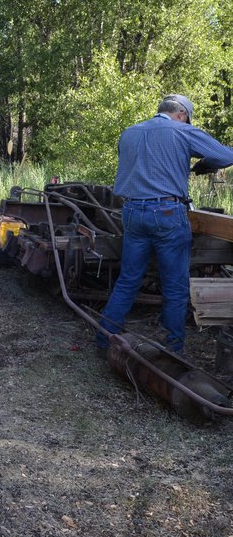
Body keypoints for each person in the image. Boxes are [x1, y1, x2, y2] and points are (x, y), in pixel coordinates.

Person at [98, 94, 233, 355]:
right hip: (168, 214)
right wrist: (205, 164)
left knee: (128, 280)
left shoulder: (130, 133)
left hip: (132, 212)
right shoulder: (183, 131)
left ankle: (105, 338)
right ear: (182, 114)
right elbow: (226, 156)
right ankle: (173, 349)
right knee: (175, 285)